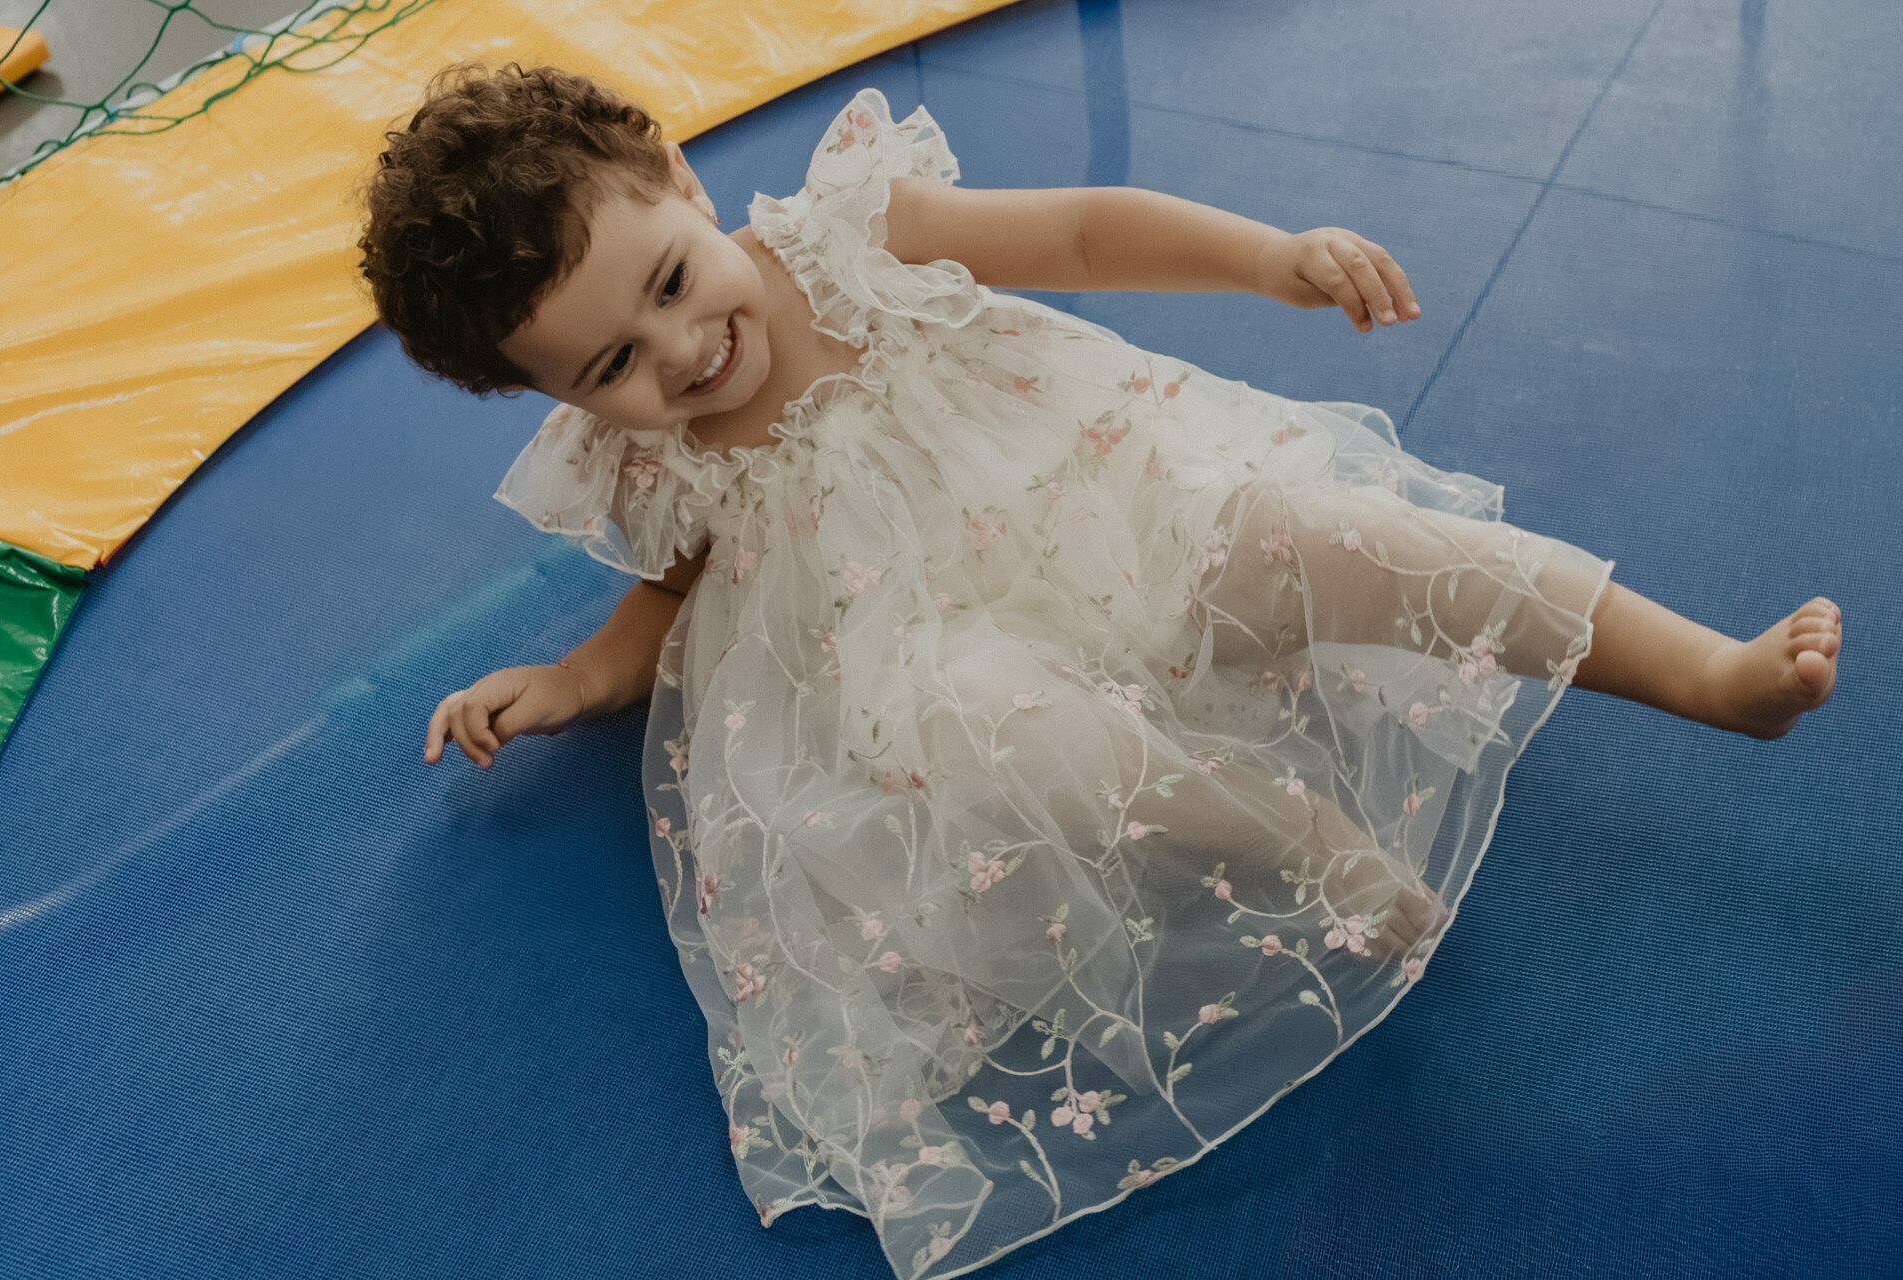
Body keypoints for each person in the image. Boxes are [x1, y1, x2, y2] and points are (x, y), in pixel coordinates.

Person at [358, 62, 1842, 1280]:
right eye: (611, 364)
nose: (679, 351)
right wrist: (575, 680)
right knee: (1009, 743)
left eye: (675, 281)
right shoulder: (648, 458)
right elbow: (675, 594)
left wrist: (1270, 259)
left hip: (1122, 517)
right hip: (934, 642)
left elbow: (1078, 234)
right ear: (554, 395)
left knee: (1355, 541)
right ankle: (1298, 841)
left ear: (685, 182)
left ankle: (1709, 674)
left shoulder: (848, 231)